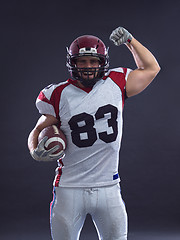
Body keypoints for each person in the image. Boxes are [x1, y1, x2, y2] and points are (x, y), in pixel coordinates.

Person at [28, 26, 160, 240]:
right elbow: (38, 129)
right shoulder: (58, 93)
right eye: (82, 61)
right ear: (73, 63)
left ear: (102, 62)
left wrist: (130, 41)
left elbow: (151, 68)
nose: (88, 66)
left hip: (109, 186)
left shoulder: (117, 82)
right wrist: (35, 149)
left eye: (93, 61)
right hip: (69, 187)